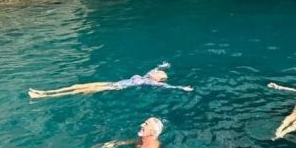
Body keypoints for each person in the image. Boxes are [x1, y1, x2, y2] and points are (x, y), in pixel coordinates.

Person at [28, 62, 193, 99]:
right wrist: (163, 65)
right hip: (110, 82)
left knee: (81, 91)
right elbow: (155, 68)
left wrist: (181, 88)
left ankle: (43, 96)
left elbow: (168, 86)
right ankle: (45, 91)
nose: (156, 72)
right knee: (77, 85)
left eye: (158, 73)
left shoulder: (150, 82)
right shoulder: (147, 75)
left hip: (114, 88)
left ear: (158, 79)